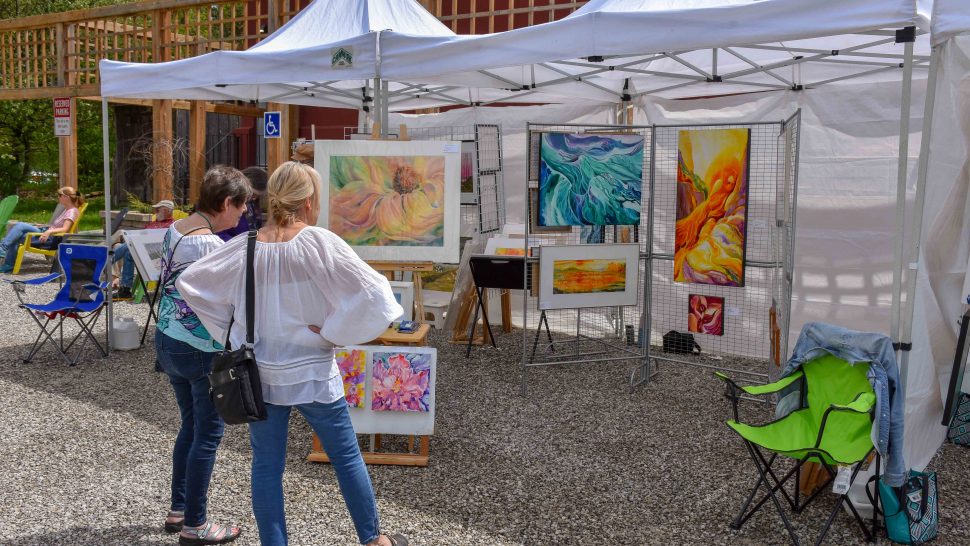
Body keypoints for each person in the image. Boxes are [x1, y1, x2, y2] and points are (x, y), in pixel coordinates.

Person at [178, 161, 409, 546]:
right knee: (346, 458)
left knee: (267, 466)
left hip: (260, 375)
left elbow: (192, 283)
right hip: (313, 370)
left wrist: (232, 332)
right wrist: (334, 331)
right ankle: (373, 540)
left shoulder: (245, 245)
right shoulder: (318, 242)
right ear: (310, 201)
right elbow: (376, 294)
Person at [155, 166, 250, 545]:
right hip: (199, 349)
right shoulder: (210, 247)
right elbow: (228, 300)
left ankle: (179, 509)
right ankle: (195, 524)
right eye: (242, 205)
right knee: (208, 434)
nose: (244, 212)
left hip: (168, 339)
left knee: (190, 427)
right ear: (226, 202)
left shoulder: (176, 228)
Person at [0, 186, 84, 273]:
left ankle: (4, 253)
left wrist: (49, 231)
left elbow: (65, 229)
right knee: (17, 232)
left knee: (19, 227)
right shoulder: (68, 210)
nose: (58, 197)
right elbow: (57, 226)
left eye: (59, 195)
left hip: (50, 240)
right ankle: (5, 256)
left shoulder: (72, 211)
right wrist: (45, 227)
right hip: (46, 234)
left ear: (66, 197)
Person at [112, 199, 176, 299]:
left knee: (128, 246)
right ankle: (125, 289)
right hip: (143, 252)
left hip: (156, 258)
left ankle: (105, 260)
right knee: (128, 252)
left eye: (157, 210)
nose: (155, 212)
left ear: (167, 211)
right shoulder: (153, 223)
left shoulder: (172, 226)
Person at [217, 166, 267, 241]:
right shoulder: (228, 202)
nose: (254, 198)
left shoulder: (252, 204)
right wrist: (240, 244)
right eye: (253, 194)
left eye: (257, 196)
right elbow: (219, 233)